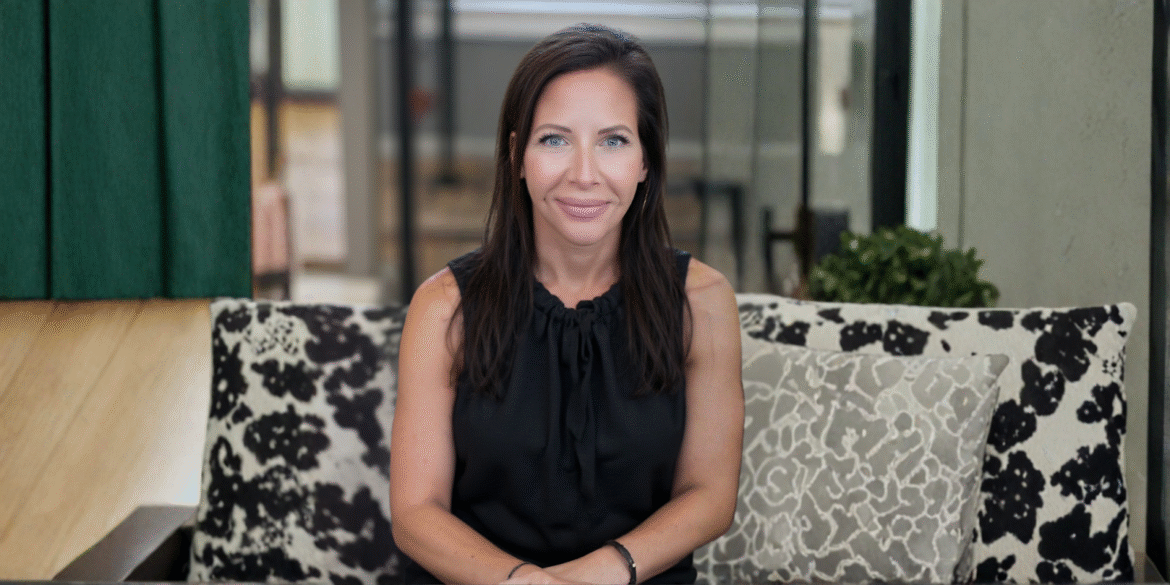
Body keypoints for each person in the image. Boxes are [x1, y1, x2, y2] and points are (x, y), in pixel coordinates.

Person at [390, 23, 744, 585]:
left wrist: (602, 572)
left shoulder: (701, 303)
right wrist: (523, 582)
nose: (584, 175)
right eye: (554, 140)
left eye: (614, 141)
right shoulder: (444, 308)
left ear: (646, 160)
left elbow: (709, 495)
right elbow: (415, 513)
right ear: (517, 155)